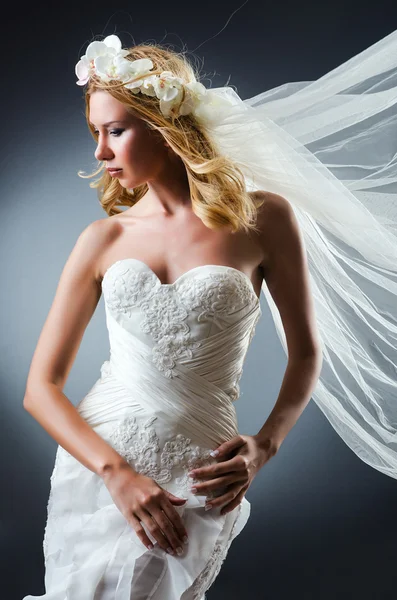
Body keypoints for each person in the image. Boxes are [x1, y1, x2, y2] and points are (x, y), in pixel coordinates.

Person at [23, 29, 397, 598]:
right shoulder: (101, 239)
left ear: (167, 128)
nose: (100, 152)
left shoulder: (265, 219)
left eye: (116, 132)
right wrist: (116, 474)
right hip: (99, 468)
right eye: (95, 133)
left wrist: (264, 445)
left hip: (202, 470)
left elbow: (306, 353)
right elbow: (40, 389)